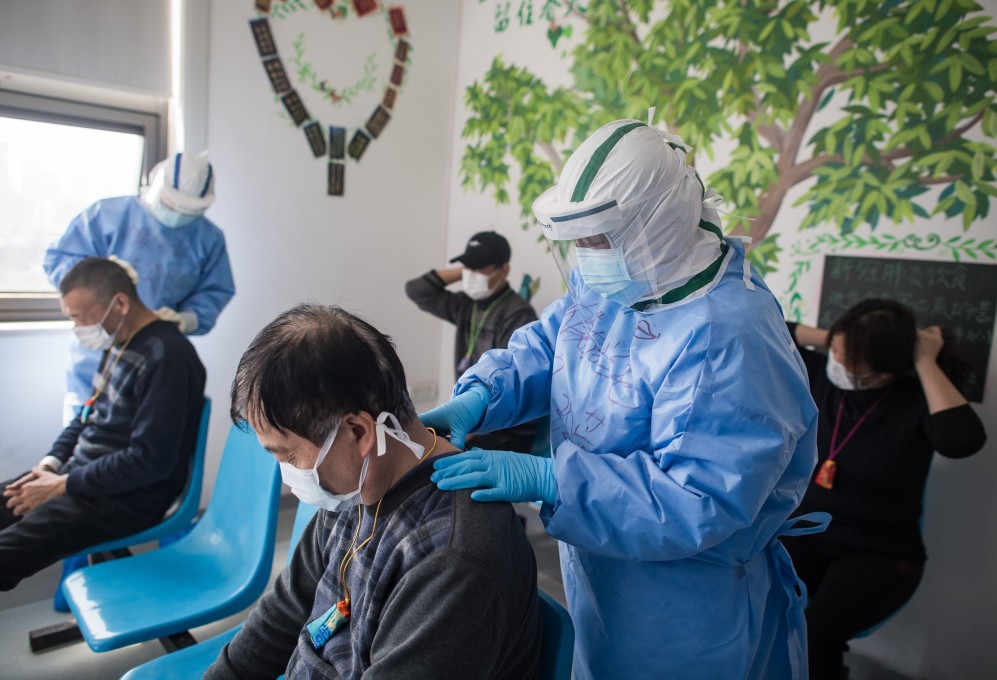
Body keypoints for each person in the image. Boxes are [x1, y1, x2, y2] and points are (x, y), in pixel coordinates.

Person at [424, 119, 823, 679]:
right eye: (578, 242)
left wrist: (552, 480)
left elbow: (698, 500)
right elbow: (557, 343)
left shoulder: (730, 335)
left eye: (597, 238)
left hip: (683, 603)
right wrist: (484, 395)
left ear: (658, 221)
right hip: (600, 566)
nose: (586, 255)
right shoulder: (621, 272)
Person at [206, 303, 542, 680]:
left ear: (359, 433)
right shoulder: (354, 490)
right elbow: (285, 611)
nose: (288, 472)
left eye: (289, 455)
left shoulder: (453, 560)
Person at [781, 299, 986, 680]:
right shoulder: (825, 377)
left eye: (852, 359)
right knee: (757, 600)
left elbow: (962, 440)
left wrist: (924, 359)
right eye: (837, 352)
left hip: (881, 551)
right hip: (810, 531)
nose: (838, 362)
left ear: (888, 366)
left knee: (816, 629)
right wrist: (842, 339)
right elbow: (775, 326)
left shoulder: (915, 399)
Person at [0, 257, 206, 591]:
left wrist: (62, 485)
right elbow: (87, 415)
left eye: (79, 318)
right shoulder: (120, 343)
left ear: (120, 303)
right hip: (83, 478)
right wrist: (48, 467)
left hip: (127, 499)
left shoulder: (168, 356)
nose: (77, 327)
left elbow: (148, 461)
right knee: (8, 498)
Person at [43, 151, 234, 421]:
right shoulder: (107, 216)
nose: (177, 215)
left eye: (189, 211)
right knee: (83, 430)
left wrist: (186, 319)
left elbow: (215, 291)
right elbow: (60, 259)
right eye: (171, 204)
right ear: (155, 184)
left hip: (157, 352)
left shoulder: (208, 239)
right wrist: (97, 277)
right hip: (97, 348)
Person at [405, 230, 539, 453]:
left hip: (505, 431)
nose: (471, 275)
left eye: (479, 268)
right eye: (468, 268)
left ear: (504, 269)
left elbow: (511, 388)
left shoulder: (518, 315)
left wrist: (463, 429)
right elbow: (417, 291)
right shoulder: (467, 304)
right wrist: (465, 270)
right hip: (473, 419)